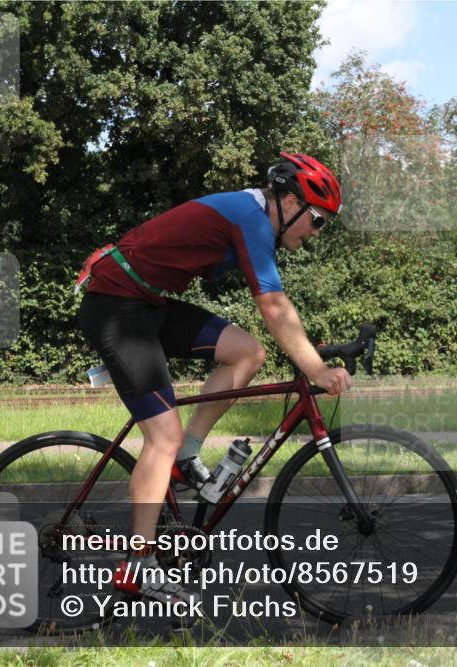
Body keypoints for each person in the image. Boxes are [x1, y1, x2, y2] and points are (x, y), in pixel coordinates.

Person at [75, 153, 353, 603]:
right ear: (288, 201)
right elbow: (274, 305)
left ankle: (187, 456)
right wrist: (315, 369)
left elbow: (275, 315)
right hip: (117, 306)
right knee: (159, 438)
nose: (317, 233)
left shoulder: (253, 215)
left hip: (147, 303)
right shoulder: (251, 217)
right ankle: (138, 565)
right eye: (317, 221)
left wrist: (310, 353)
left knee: (247, 352)